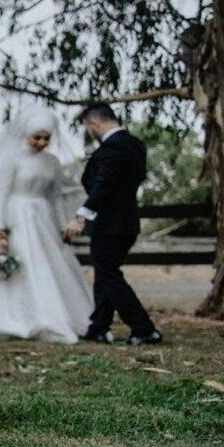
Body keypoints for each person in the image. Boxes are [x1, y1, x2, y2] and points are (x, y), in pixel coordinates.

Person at [0, 108, 93, 343]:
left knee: (46, 263)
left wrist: (62, 224)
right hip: (14, 215)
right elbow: (1, 193)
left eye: (46, 138)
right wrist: (0, 226)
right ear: (26, 135)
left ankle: (50, 315)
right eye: (37, 137)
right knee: (19, 260)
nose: (41, 142)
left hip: (42, 218)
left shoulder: (52, 161)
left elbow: (55, 196)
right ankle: (6, 317)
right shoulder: (12, 159)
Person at [62, 103, 162, 346]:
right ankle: (99, 326)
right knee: (105, 273)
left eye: (88, 127)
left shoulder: (113, 147)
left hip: (111, 225)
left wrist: (80, 216)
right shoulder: (135, 144)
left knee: (108, 274)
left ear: (94, 123)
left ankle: (144, 328)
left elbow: (103, 185)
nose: (90, 131)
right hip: (126, 223)